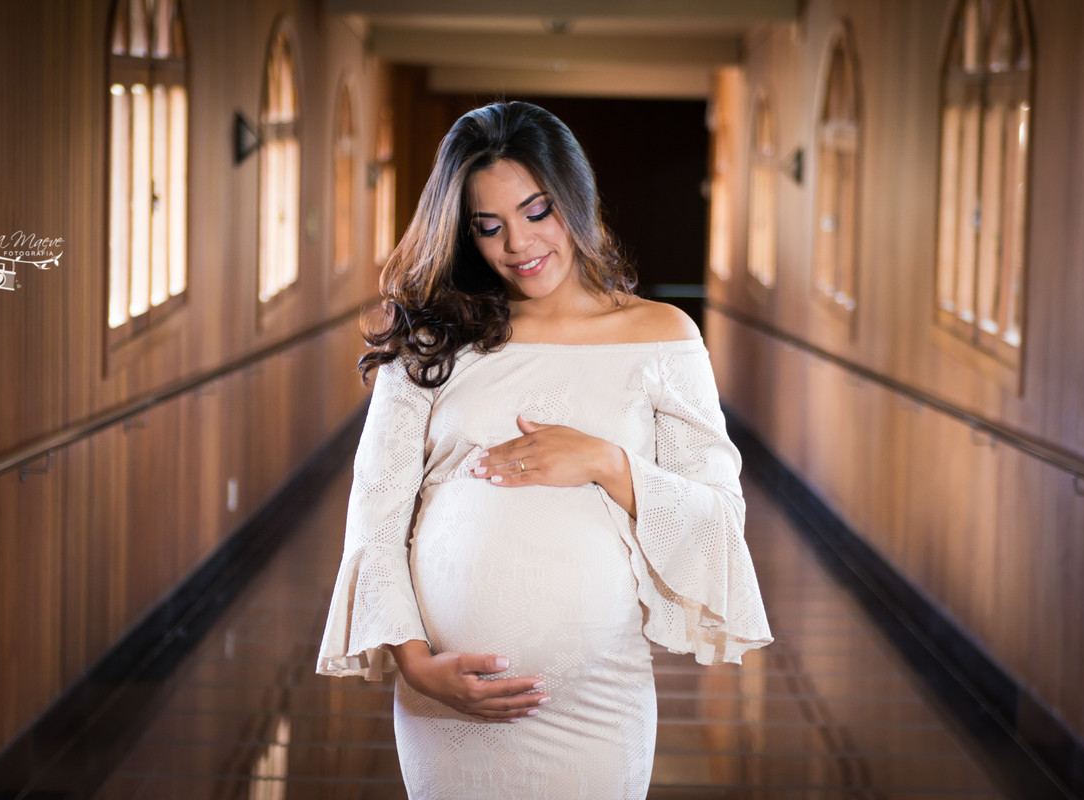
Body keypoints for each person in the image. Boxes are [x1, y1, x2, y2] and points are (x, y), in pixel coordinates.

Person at [317, 101, 771, 799]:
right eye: (488, 226)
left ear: (576, 198)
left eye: (538, 212)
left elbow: (717, 521)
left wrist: (607, 463)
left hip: (596, 704)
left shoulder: (662, 334)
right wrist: (413, 663)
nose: (518, 245)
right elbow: (375, 514)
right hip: (447, 699)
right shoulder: (435, 337)